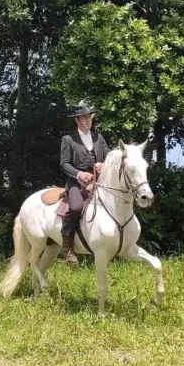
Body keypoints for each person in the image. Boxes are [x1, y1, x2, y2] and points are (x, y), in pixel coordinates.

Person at [58, 101, 109, 263]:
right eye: (84, 117)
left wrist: (104, 164)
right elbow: (64, 163)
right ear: (77, 120)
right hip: (76, 182)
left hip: (99, 181)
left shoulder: (98, 137)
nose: (88, 120)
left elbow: (109, 156)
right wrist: (79, 174)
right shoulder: (68, 139)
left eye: (90, 117)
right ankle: (66, 247)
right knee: (76, 207)